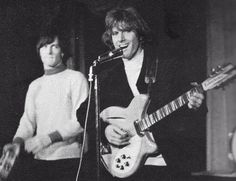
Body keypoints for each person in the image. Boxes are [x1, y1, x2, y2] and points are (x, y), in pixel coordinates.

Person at [98, 7, 207, 181]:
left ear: (139, 34)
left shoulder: (165, 66)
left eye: (127, 31)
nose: (120, 39)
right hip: (127, 166)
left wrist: (196, 104)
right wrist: (106, 130)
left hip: (165, 164)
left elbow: (194, 110)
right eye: (115, 33)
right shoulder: (107, 76)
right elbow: (83, 113)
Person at [2, 29, 89, 181]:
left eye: (54, 46)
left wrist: (47, 138)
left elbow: (82, 120)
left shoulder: (76, 78)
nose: (48, 51)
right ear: (39, 51)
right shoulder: (35, 85)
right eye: (44, 46)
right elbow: (27, 122)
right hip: (40, 160)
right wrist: (17, 143)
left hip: (68, 159)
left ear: (62, 52)